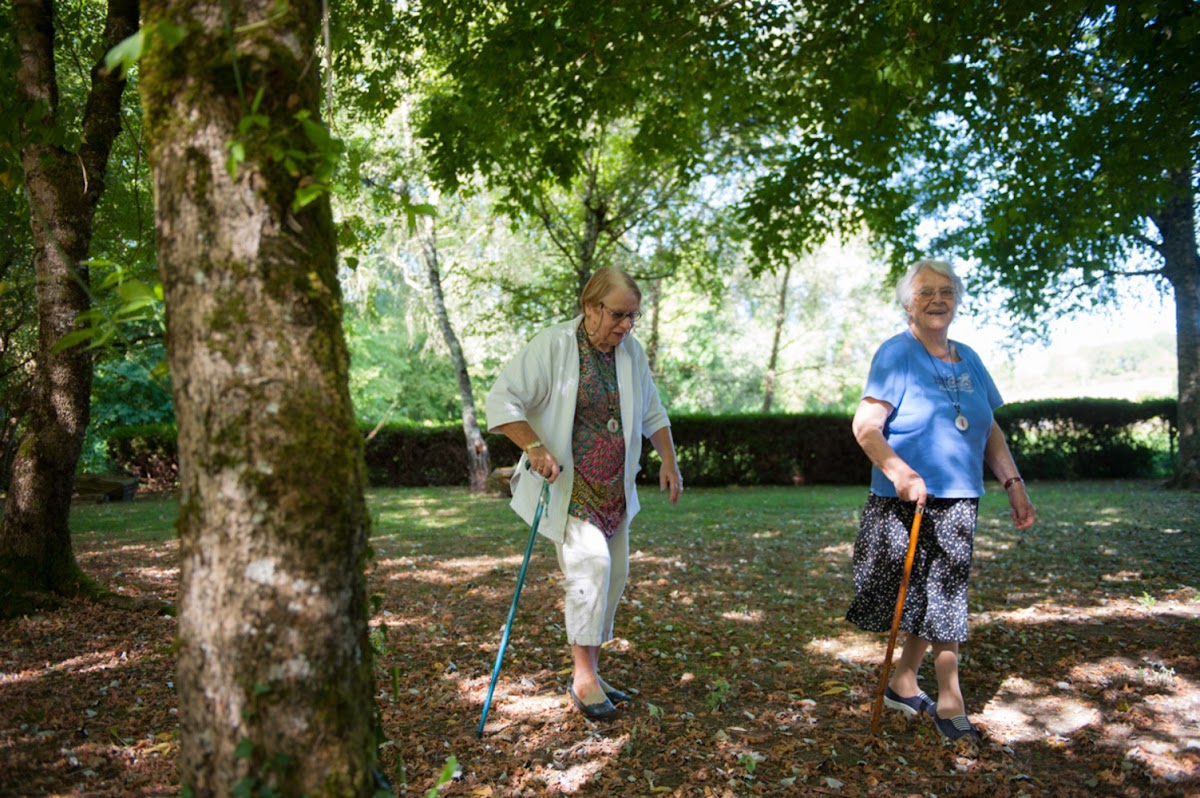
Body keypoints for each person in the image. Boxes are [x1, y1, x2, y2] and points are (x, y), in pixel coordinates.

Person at [846, 258, 1036, 742]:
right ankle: (944, 697)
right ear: (908, 301)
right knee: (926, 600)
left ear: (958, 300)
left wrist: (1012, 483)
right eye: (926, 291)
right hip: (906, 500)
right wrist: (901, 472)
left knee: (942, 597)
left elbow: (988, 427)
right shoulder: (896, 353)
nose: (938, 299)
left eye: (947, 291)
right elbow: (865, 427)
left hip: (959, 499)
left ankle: (912, 684)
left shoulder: (968, 357)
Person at [486, 267, 683, 719]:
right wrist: (533, 446)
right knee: (589, 571)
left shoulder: (630, 353)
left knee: (612, 578)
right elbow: (501, 400)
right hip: (570, 487)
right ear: (590, 307)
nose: (627, 326)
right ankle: (582, 677)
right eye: (618, 315)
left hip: (614, 489)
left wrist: (668, 461)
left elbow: (653, 412)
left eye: (633, 316)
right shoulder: (553, 345)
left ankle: (593, 670)